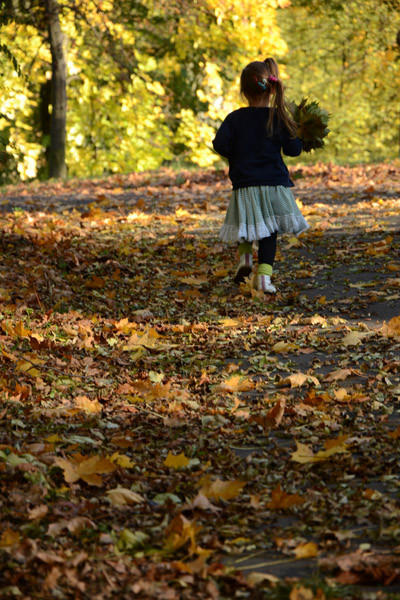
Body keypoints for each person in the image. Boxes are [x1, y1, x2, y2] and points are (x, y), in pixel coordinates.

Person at [212, 57, 309, 293]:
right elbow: (292, 150)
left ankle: (245, 258)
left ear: (244, 91)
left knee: (246, 224)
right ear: (272, 88)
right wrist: (299, 134)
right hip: (273, 184)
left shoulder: (235, 118)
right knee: (269, 231)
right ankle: (265, 278)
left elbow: (219, 145)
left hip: (245, 184)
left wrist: (236, 151)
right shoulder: (277, 118)